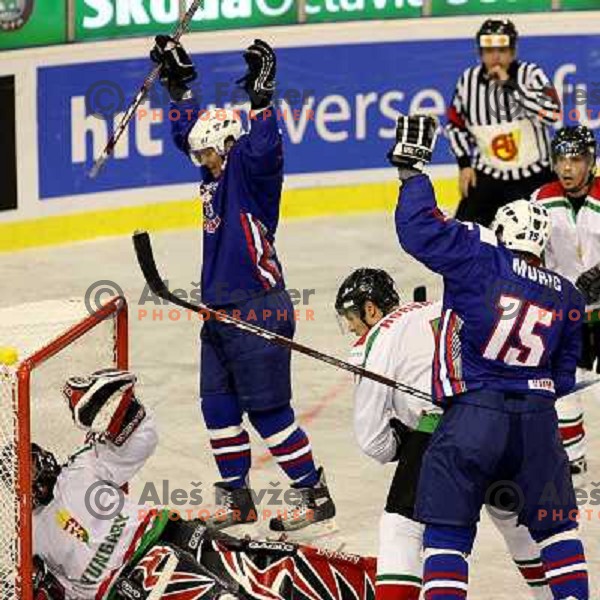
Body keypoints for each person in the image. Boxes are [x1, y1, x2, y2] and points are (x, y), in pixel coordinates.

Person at [390, 114, 588, 599]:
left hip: (473, 419)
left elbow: (419, 231)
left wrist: (412, 173)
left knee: (448, 536)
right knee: (559, 533)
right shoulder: (567, 296)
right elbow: (563, 379)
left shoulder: (481, 260)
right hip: (539, 425)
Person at [149, 36, 335, 534]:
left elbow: (266, 148)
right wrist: (179, 88)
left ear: (229, 147)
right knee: (218, 406)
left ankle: (313, 494)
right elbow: (190, 135)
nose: (202, 163)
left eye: (209, 155)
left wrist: (261, 101)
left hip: (258, 307)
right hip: (219, 311)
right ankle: (236, 498)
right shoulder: (212, 171)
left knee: (269, 411)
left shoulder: (249, 171)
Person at [30, 368, 375, 600]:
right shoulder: (23, 539)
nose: (33, 472)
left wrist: (115, 405)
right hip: (127, 585)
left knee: (278, 566)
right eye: (23, 471)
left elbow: (142, 438)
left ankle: (389, 584)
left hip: (168, 535)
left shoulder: (79, 469)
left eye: (31, 460)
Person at [335, 269, 552, 600]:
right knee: (513, 520)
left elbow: (372, 441)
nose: (350, 327)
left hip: (441, 431)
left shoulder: (376, 340)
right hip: (504, 419)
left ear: (371, 309)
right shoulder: (440, 307)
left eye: (352, 316)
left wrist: (403, 444)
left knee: (402, 528)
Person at [532, 125, 600, 481]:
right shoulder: (541, 199)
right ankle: (572, 461)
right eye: (561, 160)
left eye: (576, 159)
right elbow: (528, 255)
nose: (568, 168)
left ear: (590, 161)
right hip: (564, 317)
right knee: (561, 387)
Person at [446, 18, 560, 226]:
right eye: (489, 51)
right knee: (461, 236)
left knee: (547, 235)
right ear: (480, 53)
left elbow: (552, 113)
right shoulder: (468, 80)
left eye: (502, 50)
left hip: (534, 176)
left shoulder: (531, 75)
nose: (496, 56)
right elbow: (455, 125)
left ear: (513, 51)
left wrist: (510, 85)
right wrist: (464, 164)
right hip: (489, 176)